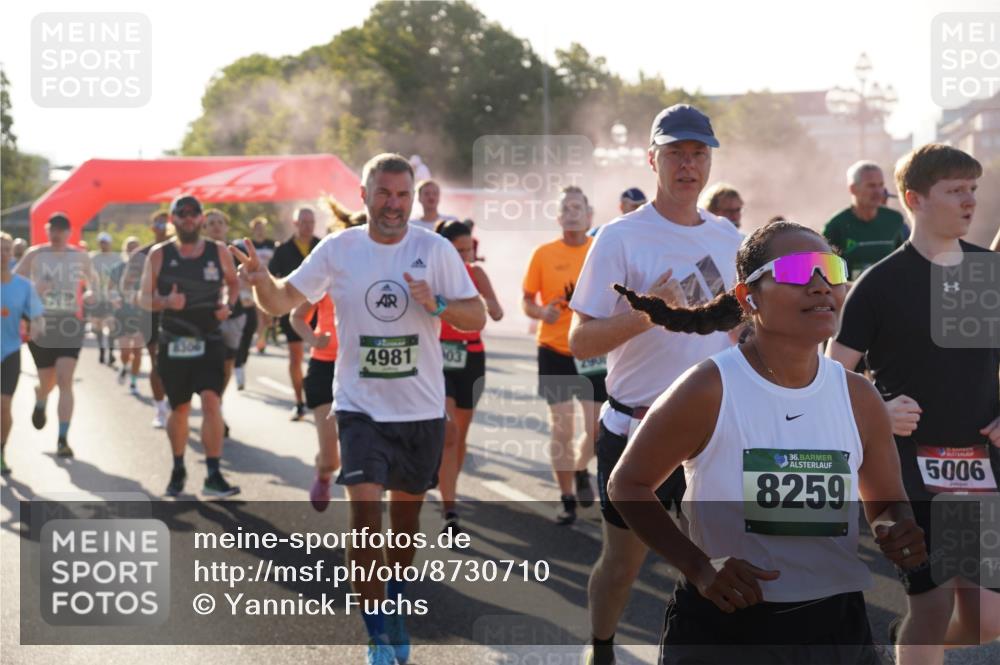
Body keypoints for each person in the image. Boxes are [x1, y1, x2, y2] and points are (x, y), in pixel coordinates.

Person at [608, 220, 926, 663]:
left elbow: (887, 504)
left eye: (831, 270)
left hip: (836, 628)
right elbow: (627, 485)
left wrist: (895, 527)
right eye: (796, 272)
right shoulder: (709, 388)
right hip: (728, 630)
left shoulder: (859, 396)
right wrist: (700, 568)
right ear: (748, 297)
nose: (820, 286)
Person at [231, 153, 485, 665]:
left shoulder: (433, 250)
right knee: (366, 519)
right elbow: (282, 302)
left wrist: (436, 302)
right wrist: (260, 280)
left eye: (402, 195)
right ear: (364, 197)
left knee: (404, 532)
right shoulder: (339, 249)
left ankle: (392, 602)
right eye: (383, 194)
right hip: (360, 407)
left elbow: (475, 313)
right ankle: (376, 634)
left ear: (412, 199)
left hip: (419, 410)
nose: (393, 205)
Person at [568, 104, 743, 664]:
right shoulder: (621, 237)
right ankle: (601, 647)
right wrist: (650, 313)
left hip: (711, 432)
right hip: (635, 428)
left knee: (716, 562)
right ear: (652, 160)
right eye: (675, 153)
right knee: (623, 565)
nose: (687, 165)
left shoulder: (728, 237)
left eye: (698, 153)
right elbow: (580, 342)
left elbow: (742, 329)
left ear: (709, 162)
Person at [827, 144, 1000, 665]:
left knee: (986, 620)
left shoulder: (985, 272)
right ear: (914, 200)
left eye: (973, 189)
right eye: (955, 191)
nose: (969, 201)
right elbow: (831, 377)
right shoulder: (879, 284)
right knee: (932, 601)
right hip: (904, 472)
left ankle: (897, 653)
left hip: (978, 468)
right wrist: (878, 409)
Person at [139, 195, 241, 498]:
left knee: (212, 401)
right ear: (173, 220)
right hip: (173, 341)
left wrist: (229, 306)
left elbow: (233, 283)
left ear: (200, 219)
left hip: (209, 338)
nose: (187, 219)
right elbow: (143, 298)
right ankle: (179, 466)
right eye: (181, 215)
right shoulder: (159, 254)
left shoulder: (218, 251)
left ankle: (213, 474)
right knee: (180, 408)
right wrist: (166, 302)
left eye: (193, 214)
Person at [522, 185, 605, 525]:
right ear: (558, 216)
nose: (572, 213)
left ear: (589, 216)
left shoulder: (600, 252)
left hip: (591, 349)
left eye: (578, 207)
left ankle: (581, 467)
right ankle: (567, 498)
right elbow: (526, 300)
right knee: (562, 428)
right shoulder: (543, 254)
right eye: (565, 208)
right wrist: (542, 313)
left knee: (597, 428)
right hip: (554, 349)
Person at [436, 219, 504, 535]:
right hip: (438, 354)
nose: (464, 256)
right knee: (449, 431)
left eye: (468, 250)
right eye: (457, 250)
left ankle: (449, 486)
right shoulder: (431, 276)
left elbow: (498, 313)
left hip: (471, 357)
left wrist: (485, 302)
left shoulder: (476, 274)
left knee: (460, 435)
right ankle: (450, 509)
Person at [15, 213, 98, 458]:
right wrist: (34, 288)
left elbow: (95, 282)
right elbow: (11, 281)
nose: (57, 234)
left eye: (62, 230)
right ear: (47, 230)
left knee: (65, 380)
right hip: (41, 323)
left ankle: (63, 439)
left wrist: (92, 292)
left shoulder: (79, 256)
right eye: (53, 229)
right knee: (48, 380)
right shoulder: (34, 254)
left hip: (70, 323)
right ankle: (41, 399)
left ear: (69, 233)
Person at [290, 294, 341, 512]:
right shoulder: (326, 277)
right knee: (331, 460)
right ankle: (323, 473)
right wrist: (314, 339)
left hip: (364, 369)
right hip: (325, 367)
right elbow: (297, 316)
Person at [268, 207, 319, 420]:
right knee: (296, 356)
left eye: (311, 221)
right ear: (295, 223)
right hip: (292, 311)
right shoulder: (283, 250)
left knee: (320, 356)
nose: (307, 225)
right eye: (303, 221)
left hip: (320, 309)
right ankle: (299, 402)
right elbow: (273, 280)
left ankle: (321, 397)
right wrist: (270, 311)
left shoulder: (322, 246)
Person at [1, 232, 45, 475]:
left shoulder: (23, 286)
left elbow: (37, 316)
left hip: (9, 352)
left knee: (3, 404)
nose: (2, 254)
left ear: (11, 254)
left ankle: (1, 450)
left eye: (6, 249)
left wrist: (37, 327)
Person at [124, 210, 172, 427]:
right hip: (150, 314)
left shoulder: (183, 251)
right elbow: (126, 285)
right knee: (156, 361)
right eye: (158, 224)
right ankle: (160, 409)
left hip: (178, 312)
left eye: (166, 223)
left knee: (179, 362)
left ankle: (175, 398)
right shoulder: (141, 254)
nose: (162, 227)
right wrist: (136, 297)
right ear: (152, 228)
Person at [823, 160, 907, 281]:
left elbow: (904, 262)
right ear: (853, 189)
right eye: (871, 186)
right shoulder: (836, 226)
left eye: (881, 185)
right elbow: (826, 274)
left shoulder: (895, 220)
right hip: (851, 297)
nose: (878, 191)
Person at [204, 208, 244, 435]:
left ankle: (217, 405)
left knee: (226, 366)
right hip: (204, 318)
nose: (216, 226)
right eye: (211, 223)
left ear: (226, 227)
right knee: (208, 365)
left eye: (220, 222)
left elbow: (248, 279)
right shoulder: (197, 252)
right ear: (204, 228)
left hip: (233, 316)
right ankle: (212, 410)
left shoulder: (235, 252)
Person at [110, 236, 143, 394]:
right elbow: (109, 288)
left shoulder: (146, 268)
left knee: (137, 351)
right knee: (125, 352)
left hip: (140, 315)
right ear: (125, 249)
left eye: (136, 247)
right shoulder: (118, 268)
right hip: (122, 314)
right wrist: (114, 298)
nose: (133, 250)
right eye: (130, 247)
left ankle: (134, 382)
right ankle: (124, 365)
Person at [88, 231, 124, 366]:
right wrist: (90, 291)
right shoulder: (93, 258)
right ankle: (102, 350)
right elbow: (87, 276)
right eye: (101, 242)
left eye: (105, 242)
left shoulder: (117, 258)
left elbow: (122, 277)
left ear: (110, 243)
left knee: (111, 325)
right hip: (97, 298)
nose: (103, 245)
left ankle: (111, 352)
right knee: (97, 326)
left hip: (112, 297)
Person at [244, 217, 277, 358]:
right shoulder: (248, 245)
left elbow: (277, 263)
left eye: (262, 228)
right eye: (257, 228)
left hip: (270, 282)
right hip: (254, 284)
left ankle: (263, 337)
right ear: (253, 230)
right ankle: (260, 342)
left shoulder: (272, 245)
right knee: (259, 315)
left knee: (268, 317)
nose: (260, 231)